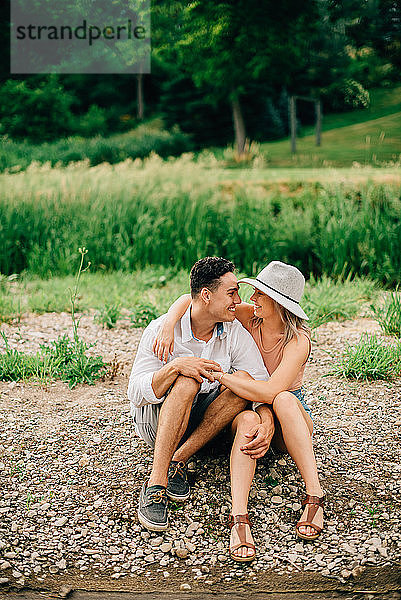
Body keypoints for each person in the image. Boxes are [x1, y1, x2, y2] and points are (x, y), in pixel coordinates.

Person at [153, 261, 324, 562]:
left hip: (289, 419)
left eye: (260, 294)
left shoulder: (298, 341)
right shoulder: (249, 316)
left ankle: (315, 495)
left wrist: (221, 377)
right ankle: (239, 518)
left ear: (279, 304)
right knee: (246, 418)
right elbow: (189, 299)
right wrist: (169, 324)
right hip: (254, 408)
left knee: (282, 398)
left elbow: (271, 391)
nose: (251, 298)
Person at [128, 256, 269, 533]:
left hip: (204, 426)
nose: (237, 300)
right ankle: (156, 483)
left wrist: (267, 419)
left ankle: (178, 459)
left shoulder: (233, 332)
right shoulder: (161, 329)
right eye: (231, 292)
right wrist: (175, 367)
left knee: (241, 381)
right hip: (157, 421)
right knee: (187, 380)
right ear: (206, 295)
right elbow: (135, 393)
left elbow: (259, 382)